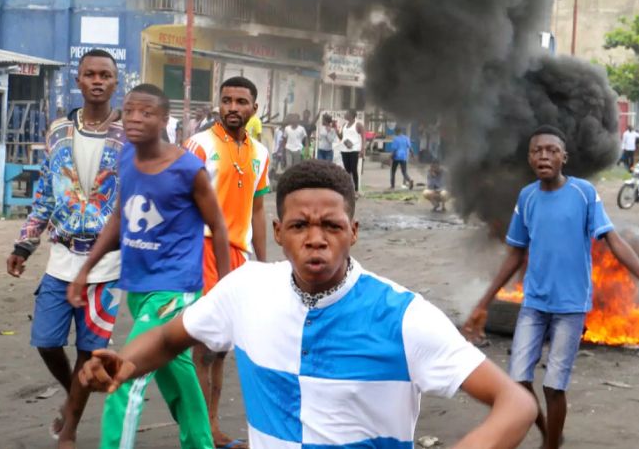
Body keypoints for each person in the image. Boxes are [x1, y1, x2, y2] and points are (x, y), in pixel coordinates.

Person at [78, 160, 538, 449]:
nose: (315, 239)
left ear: (353, 232)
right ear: (277, 233)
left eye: (331, 226)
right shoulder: (247, 289)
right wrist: (125, 364)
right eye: (299, 226)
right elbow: (167, 336)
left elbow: (516, 404)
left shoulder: (402, 316)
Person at [461, 126, 639, 449]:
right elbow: (515, 254)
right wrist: (484, 302)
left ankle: (549, 446)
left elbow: (614, 242)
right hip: (534, 304)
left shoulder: (583, 194)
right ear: (530, 158)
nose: (544, 156)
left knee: (553, 387)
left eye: (551, 150)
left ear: (564, 157)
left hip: (571, 307)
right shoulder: (527, 197)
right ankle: (551, 434)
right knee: (518, 381)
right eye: (537, 151)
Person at [68, 84, 231, 449]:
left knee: (124, 375)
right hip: (139, 286)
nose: (136, 119)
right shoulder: (126, 158)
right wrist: (86, 269)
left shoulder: (188, 168)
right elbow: (119, 219)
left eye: (147, 112)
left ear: (164, 120)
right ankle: (201, 444)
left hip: (175, 287)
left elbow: (218, 226)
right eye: (130, 111)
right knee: (178, 372)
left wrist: (225, 285)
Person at [5, 49, 125, 449]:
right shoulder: (58, 130)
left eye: (104, 75)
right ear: (77, 80)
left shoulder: (129, 135)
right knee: (46, 340)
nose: (96, 80)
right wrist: (25, 242)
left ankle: (69, 429)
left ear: (115, 82)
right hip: (61, 257)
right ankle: (76, 393)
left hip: (107, 264)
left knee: (90, 351)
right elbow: (45, 192)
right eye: (89, 74)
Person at [183, 76, 271, 448]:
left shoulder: (261, 153)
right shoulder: (199, 145)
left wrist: (264, 266)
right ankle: (205, 433)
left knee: (221, 349)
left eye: (241, 101)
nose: (233, 107)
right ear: (219, 103)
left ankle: (212, 426)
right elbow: (179, 198)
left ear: (254, 108)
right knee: (203, 344)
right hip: (202, 250)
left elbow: (259, 210)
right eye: (227, 100)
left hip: (239, 256)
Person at [337, 109, 365, 192]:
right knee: (347, 170)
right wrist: (336, 131)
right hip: (344, 149)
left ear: (352, 115)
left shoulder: (358, 124)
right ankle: (348, 188)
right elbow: (341, 137)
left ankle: (356, 189)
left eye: (347, 113)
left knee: (353, 169)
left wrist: (362, 149)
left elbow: (363, 137)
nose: (345, 115)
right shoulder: (344, 125)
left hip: (354, 149)